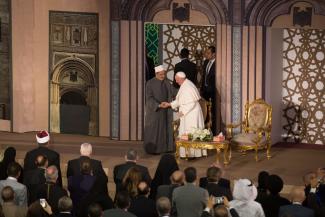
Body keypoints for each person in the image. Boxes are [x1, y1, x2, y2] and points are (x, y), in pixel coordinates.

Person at [164, 71, 205, 157]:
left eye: (177, 80)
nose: (176, 81)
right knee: (187, 132)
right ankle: (186, 153)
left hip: (192, 113)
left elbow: (191, 103)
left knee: (191, 132)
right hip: (189, 113)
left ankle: (192, 154)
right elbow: (180, 100)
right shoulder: (185, 84)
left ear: (181, 78)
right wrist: (170, 104)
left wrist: (182, 112)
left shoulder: (188, 87)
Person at [144, 65, 176, 154]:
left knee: (165, 130)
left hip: (165, 111)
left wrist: (184, 90)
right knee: (154, 131)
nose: (163, 76)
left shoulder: (166, 82)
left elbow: (174, 91)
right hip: (154, 112)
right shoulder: (150, 83)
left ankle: (166, 149)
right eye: (161, 74)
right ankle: (153, 150)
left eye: (164, 74)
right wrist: (158, 105)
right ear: (156, 74)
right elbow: (149, 98)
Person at [200, 46, 216, 135]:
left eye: (208, 53)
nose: (206, 55)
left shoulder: (218, 63)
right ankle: (205, 131)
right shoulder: (206, 62)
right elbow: (204, 76)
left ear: (214, 54)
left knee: (213, 112)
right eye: (206, 53)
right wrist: (202, 89)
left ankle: (213, 131)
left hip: (213, 92)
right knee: (205, 112)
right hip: (205, 91)